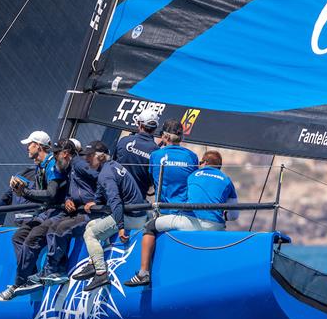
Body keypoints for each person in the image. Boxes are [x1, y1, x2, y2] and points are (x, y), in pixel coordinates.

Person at [124, 150, 238, 287]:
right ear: (219, 167)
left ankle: (143, 273)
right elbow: (234, 215)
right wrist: (222, 214)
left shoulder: (192, 176)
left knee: (150, 226)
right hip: (215, 227)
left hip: (189, 223)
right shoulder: (226, 180)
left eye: (201, 162)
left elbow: (185, 199)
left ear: (205, 163)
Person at [0, 130, 68, 301]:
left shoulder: (52, 164)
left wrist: (25, 191)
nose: (27, 148)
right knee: (18, 237)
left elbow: (51, 194)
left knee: (31, 240)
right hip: (46, 212)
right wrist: (21, 190)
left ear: (39, 146)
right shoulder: (39, 166)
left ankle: (19, 282)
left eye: (30, 144)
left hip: (59, 212)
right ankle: (31, 276)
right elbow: (39, 194)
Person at [71, 141, 146, 292]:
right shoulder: (111, 166)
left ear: (101, 157)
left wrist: (121, 228)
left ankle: (101, 274)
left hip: (131, 216)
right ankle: (93, 264)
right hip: (135, 213)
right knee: (91, 225)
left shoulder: (106, 174)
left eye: (90, 156)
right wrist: (95, 202)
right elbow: (101, 193)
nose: (87, 159)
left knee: (90, 234)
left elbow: (115, 201)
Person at [38, 139, 99, 284]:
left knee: (62, 228)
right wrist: (68, 199)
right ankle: (53, 269)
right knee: (53, 227)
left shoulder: (78, 164)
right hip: (80, 212)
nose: (54, 157)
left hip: (94, 213)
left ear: (65, 154)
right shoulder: (70, 168)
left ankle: (54, 270)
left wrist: (97, 201)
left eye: (56, 154)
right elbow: (73, 190)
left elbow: (102, 178)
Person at [115, 106, 159, 198]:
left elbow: (112, 164)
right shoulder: (156, 152)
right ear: (155, 128)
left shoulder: (124, 141)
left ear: (139, 123)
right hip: (137, 201)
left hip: (115, 196)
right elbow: (153, 180)